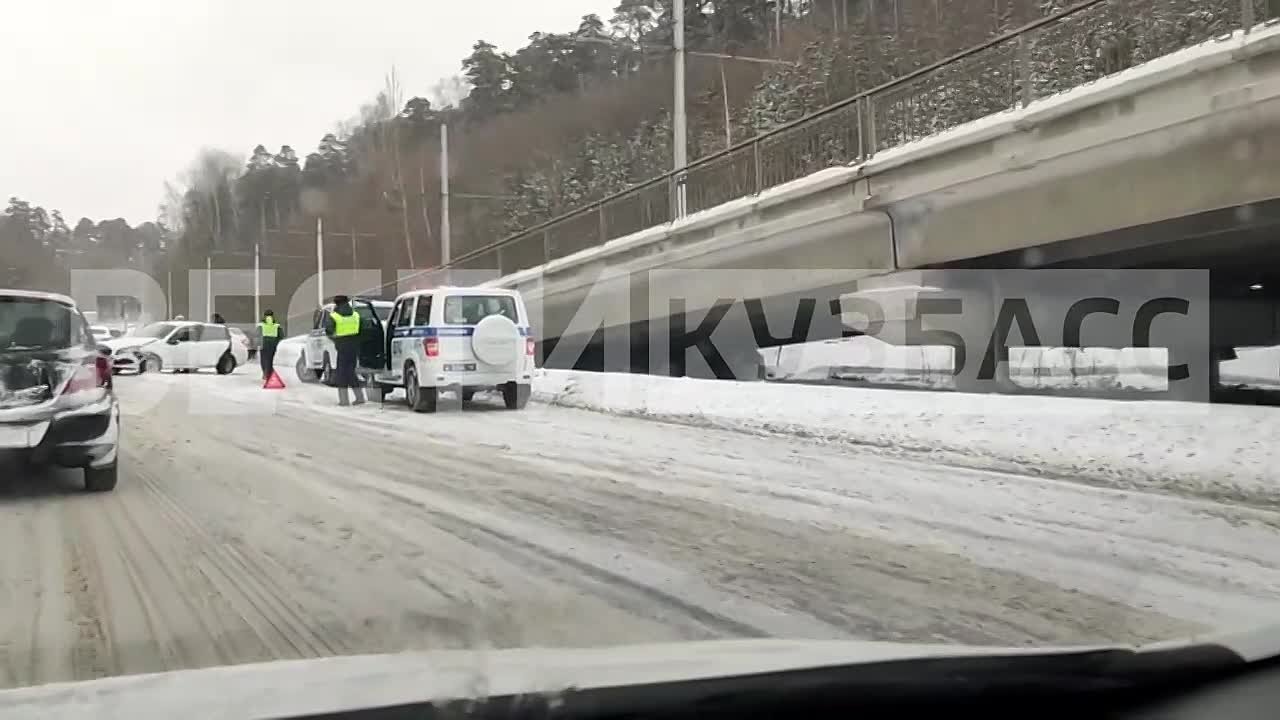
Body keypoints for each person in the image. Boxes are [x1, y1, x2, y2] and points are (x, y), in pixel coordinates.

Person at [322, 295, 365, 406]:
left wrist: (336, 339)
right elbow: (363, 329)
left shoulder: (334, 316)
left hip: (342, 346)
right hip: (354, 346)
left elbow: (329, 331)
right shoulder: (356, 315)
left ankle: (344, 400)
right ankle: (360, 397)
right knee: (351, 371)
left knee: (341, 373)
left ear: (336, 304)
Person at [257, 310, 282, 381]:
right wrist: (276, 341)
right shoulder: (277, 325)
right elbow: (281, 335)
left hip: (263, 344)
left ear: (264, 316)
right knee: (270, 360)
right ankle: (269, 374)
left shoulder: (261, 325)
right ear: (272, 315)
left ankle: (265, 374)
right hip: (273, 345)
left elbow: (257, 335)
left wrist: (258, 343)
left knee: (263, 360)